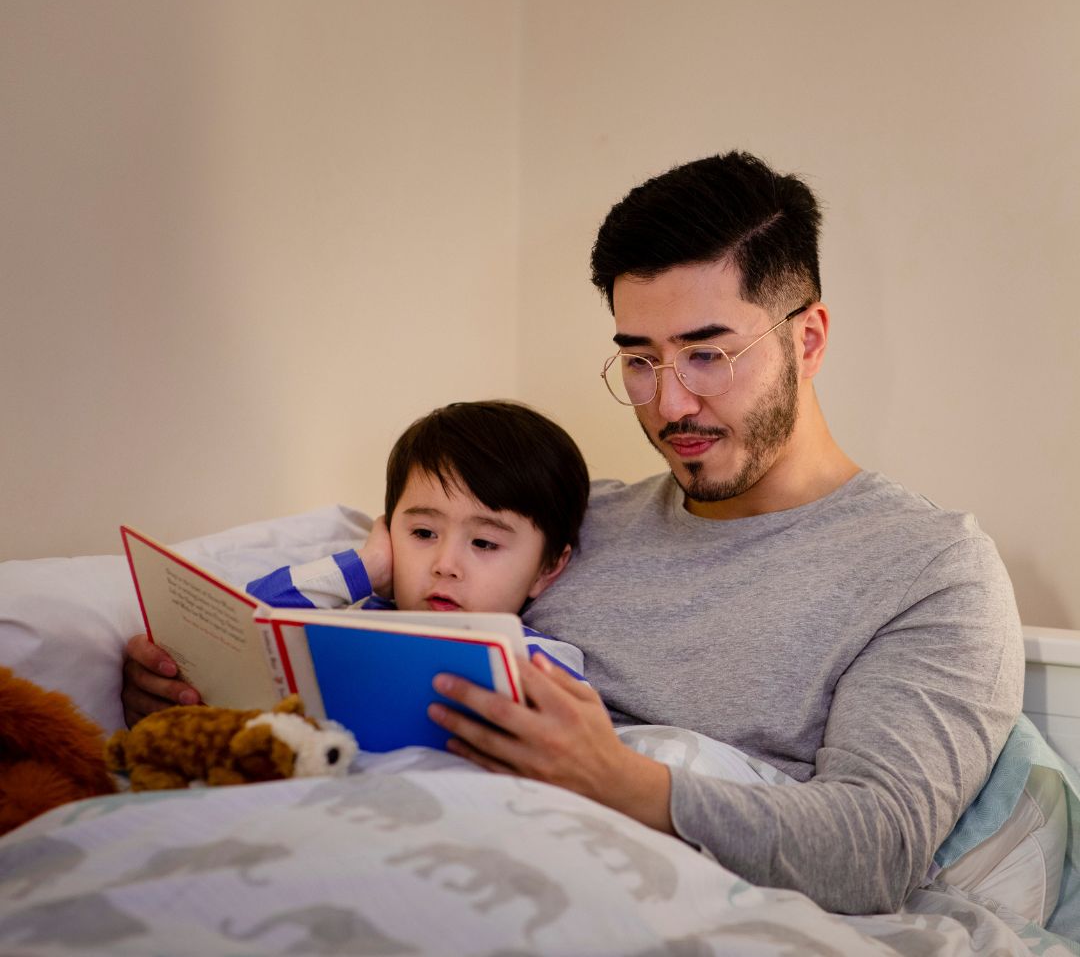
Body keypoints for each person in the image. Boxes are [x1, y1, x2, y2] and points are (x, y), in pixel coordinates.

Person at [122, 151, 1025, 917]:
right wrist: (207, 691)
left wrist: (622, 782)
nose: (671, 404)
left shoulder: (930, 572)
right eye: (640, 360)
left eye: (708, 353)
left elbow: (874, 849)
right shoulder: (564, 523)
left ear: (810, 338)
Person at [121, 400, 591, 721]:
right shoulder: (350, 620)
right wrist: (367, 568)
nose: (445, 564)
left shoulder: (539, 661)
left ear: (548, 568)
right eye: (423, 533)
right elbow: (245, 626)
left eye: (485, 544)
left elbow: (573, 741)